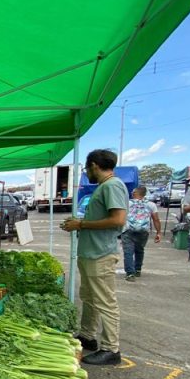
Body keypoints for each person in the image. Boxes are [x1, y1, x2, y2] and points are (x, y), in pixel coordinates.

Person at [61, 149, 128, 366]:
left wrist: (81, 224)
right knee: (89, 298)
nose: (86, 172)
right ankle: (87, 336)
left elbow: (118, 219)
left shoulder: (112, 185)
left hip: (101, 254)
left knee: (105, 301)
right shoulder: (104, 186)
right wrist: (79, 223)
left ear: (94, 165)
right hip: (91, 253)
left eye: (87, 168)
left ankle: (111, 349)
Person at [122, 186, 161, 282]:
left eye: (133, 192)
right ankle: (137, 269)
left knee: (128, 252)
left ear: (136, 193)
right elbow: (156, 219)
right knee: (139, 250)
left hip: (128, 230)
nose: (132, 193)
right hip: (143, 231)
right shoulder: (151, 205)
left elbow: (121, 216)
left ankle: (130, 274)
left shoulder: (127, 203)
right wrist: (158, 232)